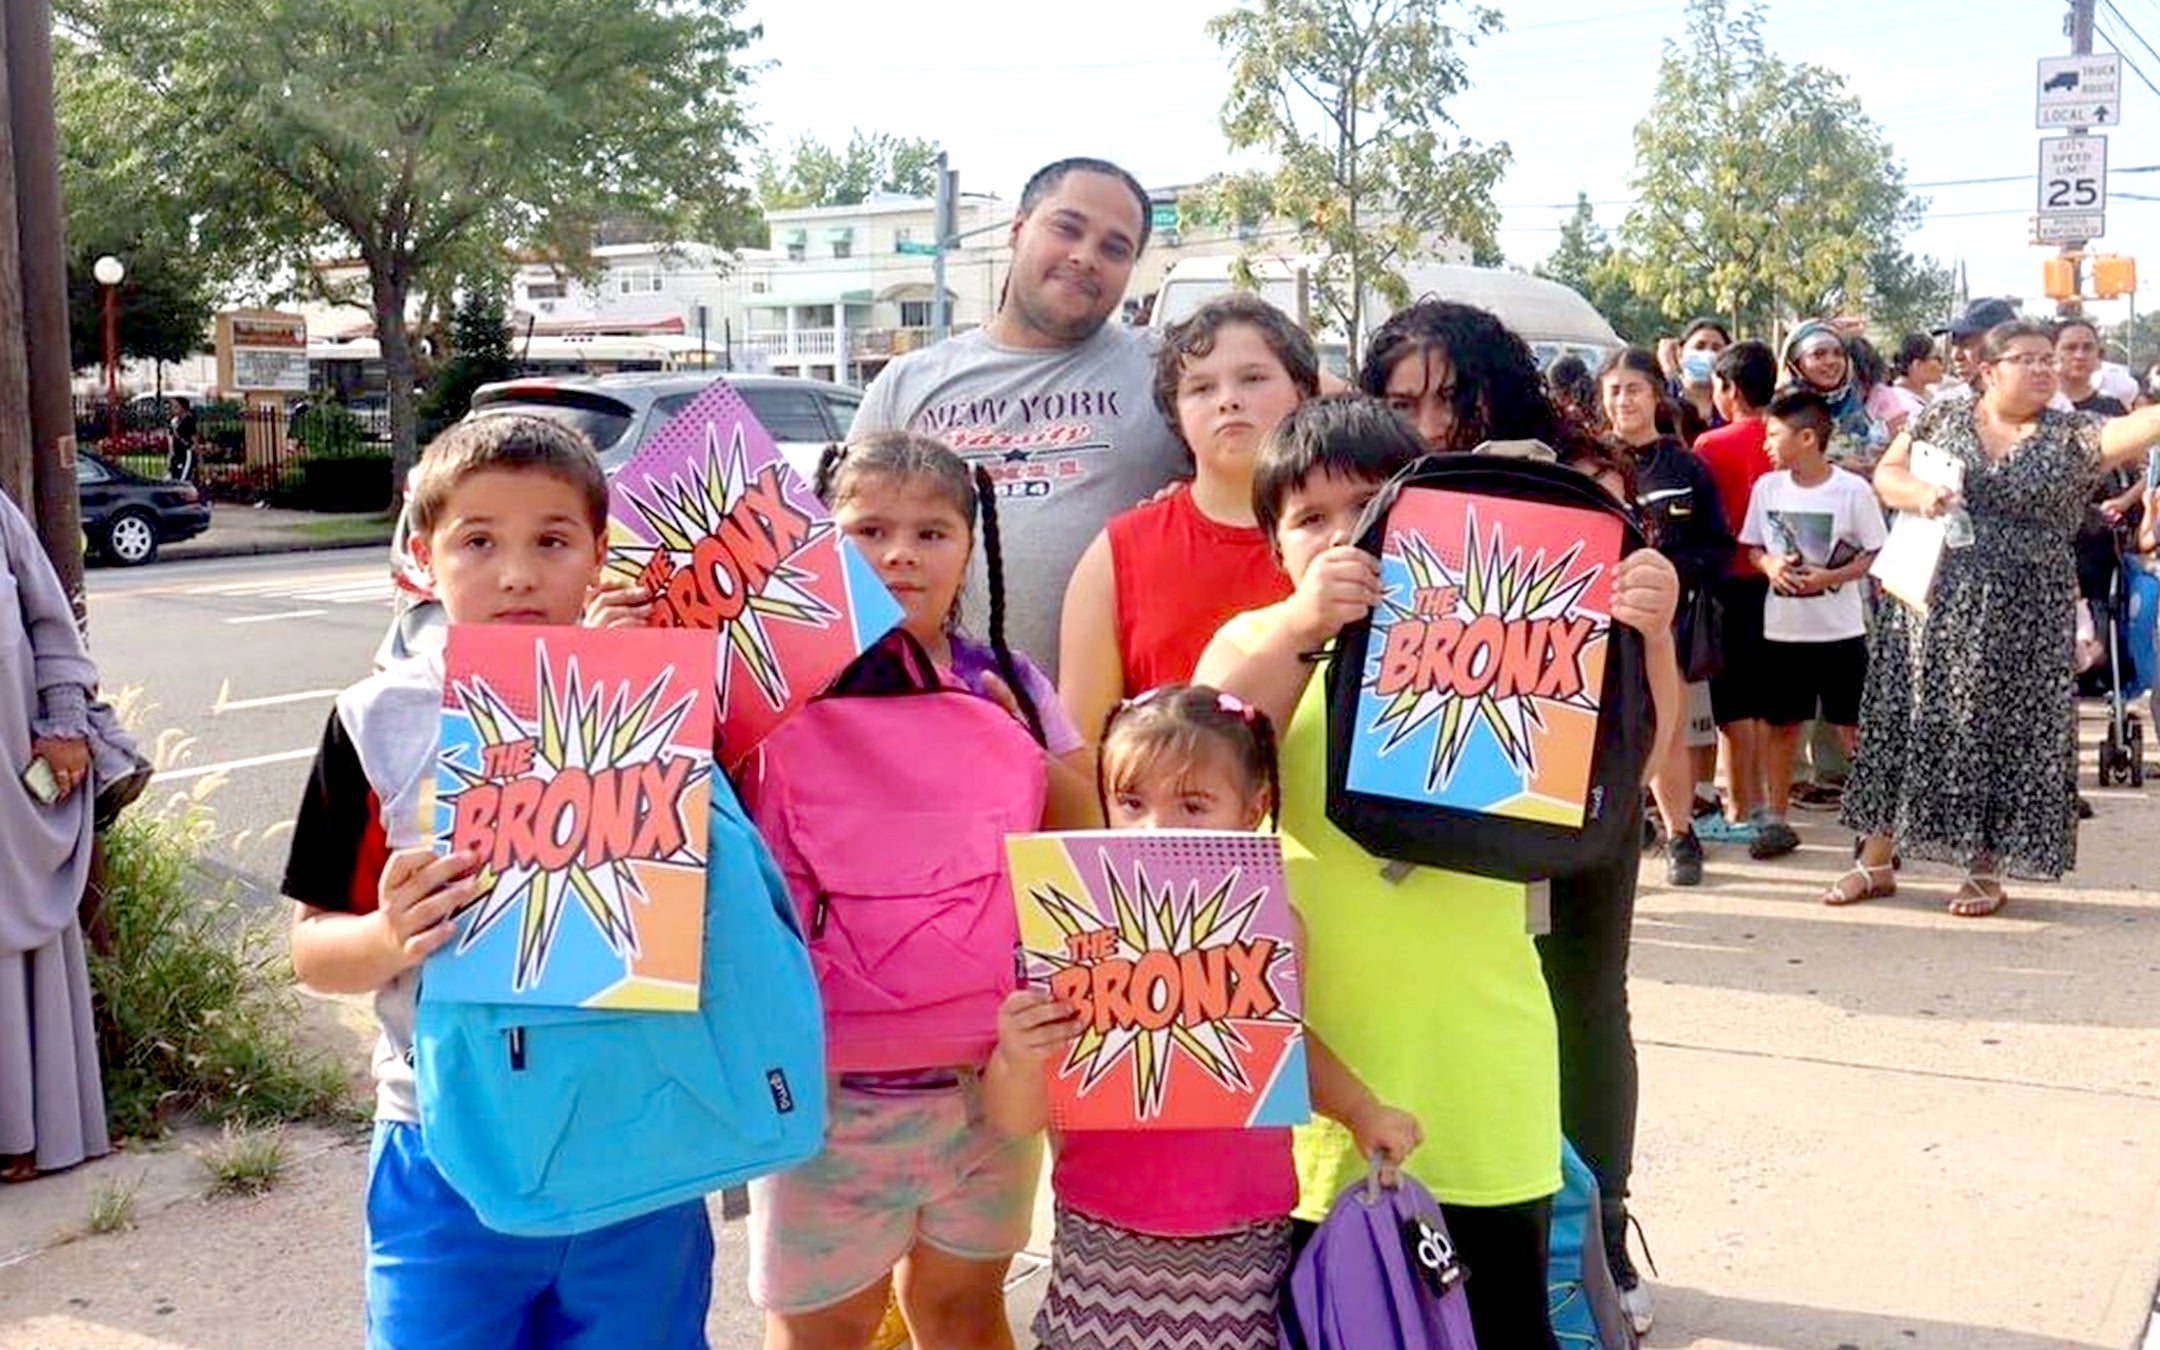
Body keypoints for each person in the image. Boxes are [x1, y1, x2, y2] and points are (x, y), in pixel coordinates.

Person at [1196, 396, 1679, 1350]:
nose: (1345, 537)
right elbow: (1211, 747)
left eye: (1372, 507)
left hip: (1486, 1071)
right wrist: (1304, 624)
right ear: (1273, 546)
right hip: (1321, 1085)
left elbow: (1638, 758)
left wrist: (1648, 634)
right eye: (1310, 519)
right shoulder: (1257, 638)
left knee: (1498, 1320)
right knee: (1330, 1322)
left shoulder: (1503, 638)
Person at [284, 416, 718, 1348]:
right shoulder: (379, 723)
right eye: (478, 541)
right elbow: (314, 949)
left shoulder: (667, 702)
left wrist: (634, 684)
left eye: (552, 541)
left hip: (638, 1142)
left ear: (600, 555)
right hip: (444, 1146)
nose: (517, 572)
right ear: (422, 557)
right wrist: (385, 937)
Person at [1362, 303, 1682, 1332]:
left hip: (1572, 802)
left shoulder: (1581, 485)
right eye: (1402, 399)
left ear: (1500, 386)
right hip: (1424, 805)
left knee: (1584, 1003)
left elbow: (1648, 699)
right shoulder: (1375, 492)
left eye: (1452, 397)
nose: (1428, 421)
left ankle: (1601, 1232)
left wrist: (1653, 617)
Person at [739, 433, 1091, 1350]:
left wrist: (1026, 749)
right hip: (821, 1091)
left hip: (987, 1081)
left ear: (972, 546)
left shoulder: (1009, 682)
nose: (900, 553)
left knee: (963, 1308)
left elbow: (1083, 843)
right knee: (822, 1328)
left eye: (933, 531)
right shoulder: (763, 688)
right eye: (868, 529)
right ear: (820, 539)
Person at [984, 683, 1420, 1350]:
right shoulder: (1072, 935)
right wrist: (1016, 1055)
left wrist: (1362, 1110)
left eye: (1193, 804)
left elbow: (1284, 1051)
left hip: (1242, 1239)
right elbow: (1014, 1118)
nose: (1157, 828)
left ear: (1253, 809)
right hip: (1102, 1232)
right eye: (1131, 803)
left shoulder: (1277, 929)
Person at [1838, 321, 2160, 915]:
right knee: (1903, 720)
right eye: (2028, 360)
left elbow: (2131, 429)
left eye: (2049, 360)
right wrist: (1919, 496)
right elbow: (1888, 474)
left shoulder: (2071, 435)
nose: (2044, 370)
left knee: (2004, 733)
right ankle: (1874, 861)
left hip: (2026, 608)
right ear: (1988, 370)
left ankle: (1985, 870)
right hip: (1930, 601)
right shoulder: (1940, 418)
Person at [849, 157, 1185, 677]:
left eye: (1114, 248)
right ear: (1017, 230)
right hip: (930, 724)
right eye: (1067, 228)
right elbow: (833, 556)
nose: (1085, 256)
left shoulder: (1175, 367)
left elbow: (1314, 416)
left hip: (1112, 737)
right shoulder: (907, 382)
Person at [1058, 295, 1317, 753]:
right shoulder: (1118, 552)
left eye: (1254, 378)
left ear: (1303, 390)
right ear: (1174, 412)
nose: (1229, 400)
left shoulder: (1358, 533)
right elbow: (1082, 754)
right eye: (1200, 388)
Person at [1, 490, 138, 1182]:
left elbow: (53, 628)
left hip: (7, 785)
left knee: (16, 944)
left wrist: (62, 723)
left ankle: (25, 1130)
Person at [1599, 346, 1732, 888]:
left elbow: (1718, 547)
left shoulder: (1686, 466)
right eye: (1613, 390)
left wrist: (1667, 574)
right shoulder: (1587, 464)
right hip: (1596, 624)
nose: (1623, 400)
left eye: (1633, 388)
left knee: (1668, 731)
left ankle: (1681, 834)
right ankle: (1616, 831)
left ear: (1657, 393)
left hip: (1666, 627)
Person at [1738, 391, 1887, 860]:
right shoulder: (1767, 489)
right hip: (1783, 631)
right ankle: (1776, 819)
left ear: (1807, 438)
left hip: (1840, 631)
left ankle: (1874, 825)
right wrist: (1769, 566)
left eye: (1774, 435)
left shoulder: (1852, 491)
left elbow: (1874, 552)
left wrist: (1832, 577)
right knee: (1780, 726)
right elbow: (1752, 547)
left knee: (1852, 727)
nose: (1767, 445)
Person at [1691, 341, 1780, 845]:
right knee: (1767, 701)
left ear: (1729, 389)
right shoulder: (1787, 436)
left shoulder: (1710, 446)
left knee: (1733, 705)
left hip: (1730, 581)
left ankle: (1741, 803)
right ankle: (1764, 799)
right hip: (1782, 581)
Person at [1780, 321, 1883, 468]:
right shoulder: (1784, 413)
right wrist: (1834, 467)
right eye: (1818, 354)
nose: (1831, 361)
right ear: (1796, 364)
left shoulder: (1854, 408)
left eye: (1838, 353)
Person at [1935, 298, 2021, 404]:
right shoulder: (1945, 406)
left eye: (1966, 345)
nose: (1956, 356)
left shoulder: (2036, 404)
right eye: (1954, 345)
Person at [1672, 317, 1731, 435]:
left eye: (1716, 349)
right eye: (1700, 346)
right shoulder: (1665, 396)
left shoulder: (1731, 403)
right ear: (1680, 352)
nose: (1707, 354)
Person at [1885, 333, 1943, 429]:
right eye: (1937, 358)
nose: (1941, 365)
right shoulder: (1900, 403)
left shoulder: (1934, 391)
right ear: (1918, 365)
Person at [166, 397, 198, 483]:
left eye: (176, 406)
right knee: (174, 477)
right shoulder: (173, 421)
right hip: (176, 454)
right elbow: (170, 437)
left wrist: (195, 451)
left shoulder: (188, 421)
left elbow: (194, 438)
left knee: (183, 479)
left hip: (186, 453)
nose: (172, 409)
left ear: (183, 408)